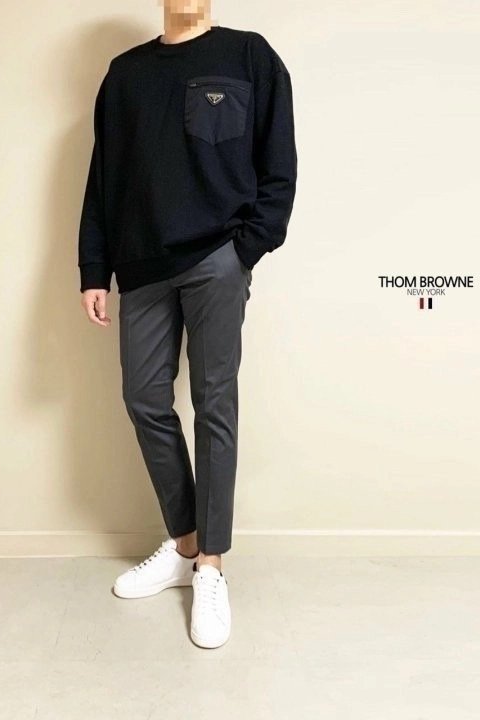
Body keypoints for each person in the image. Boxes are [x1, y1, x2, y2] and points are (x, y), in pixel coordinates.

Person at [77, 1, 297, 648]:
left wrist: (243, 251)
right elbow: (102, 178)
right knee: (145, 399)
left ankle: (211, 567)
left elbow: (279, 166)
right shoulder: (126, 74)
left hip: (216, 261)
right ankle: (185, 542)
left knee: (213, 403)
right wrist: (94, 269)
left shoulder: (249, 55)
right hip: (141, 264)